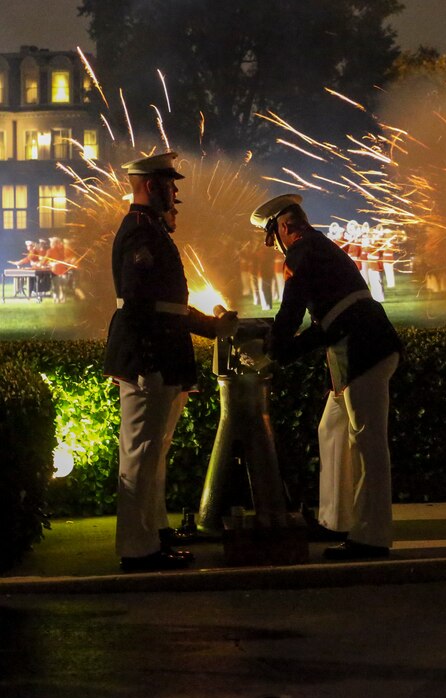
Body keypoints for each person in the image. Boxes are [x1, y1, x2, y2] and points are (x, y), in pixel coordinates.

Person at [103, 152, 239, 572]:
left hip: (160, 356)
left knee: (152, 452)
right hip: (151, 358)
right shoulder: (141, 233)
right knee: (142, 453)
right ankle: (137, 548)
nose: (175, 192)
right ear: (149, 185)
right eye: (169, 184)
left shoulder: (151, 231)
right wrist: (151, 361)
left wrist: (211, 327)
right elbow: (142, 305)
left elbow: (168, 305)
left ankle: (154, 535)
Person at [248, 194, 403, 560]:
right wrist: (286, 351)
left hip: (362, 352)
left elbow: (292, 310)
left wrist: (275, 348)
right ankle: (336, 520)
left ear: (284, 228)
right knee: (331, 431)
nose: (278, 246)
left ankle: (371, 537)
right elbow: (327, 323)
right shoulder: (320, 246)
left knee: (368, 446)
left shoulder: (301, 251)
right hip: (359, 348)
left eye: (275, 238)